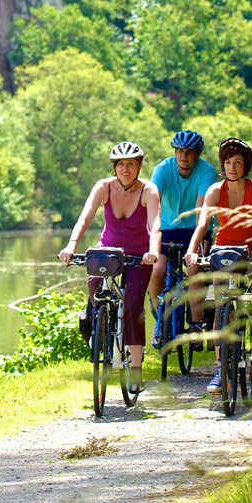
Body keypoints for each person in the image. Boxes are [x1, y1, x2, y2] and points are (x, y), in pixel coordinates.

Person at [59, 141, 162, 392]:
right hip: (108, 249)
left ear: (138, 166)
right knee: (94, 284)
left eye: (130, 164)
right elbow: (85, 216)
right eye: (120, 165)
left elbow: (155, 225)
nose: (125, 170)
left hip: (138, 254)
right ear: (114, 167)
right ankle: (94, 320)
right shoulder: (103, 187)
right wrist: (71, 246)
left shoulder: (148, 190)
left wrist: (153, 252)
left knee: (133, 306)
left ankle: (135, 370)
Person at [184, 137, 252, 397]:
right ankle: (220, 369)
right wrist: (192, 251)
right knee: (220, 310)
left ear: (245, 165)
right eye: (228, 163)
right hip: (224, 250)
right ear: (223, 165)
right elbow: (203, 225)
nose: (232, 167)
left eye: (237, 163)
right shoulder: (216, 191)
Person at [148, 129, 215, 328]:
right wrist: (152, 236)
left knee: (195, 269)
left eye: (189, 152)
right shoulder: (163, 169)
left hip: (194, 230)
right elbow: (154, 204)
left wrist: (200, 241)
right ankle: (158, 311)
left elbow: (201, 210)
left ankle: (196, 322)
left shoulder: (206, 171)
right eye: (179, 151)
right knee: (157, 270)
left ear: (197, 154)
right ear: (175, 152)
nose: (183, 156)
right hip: (165, 228)